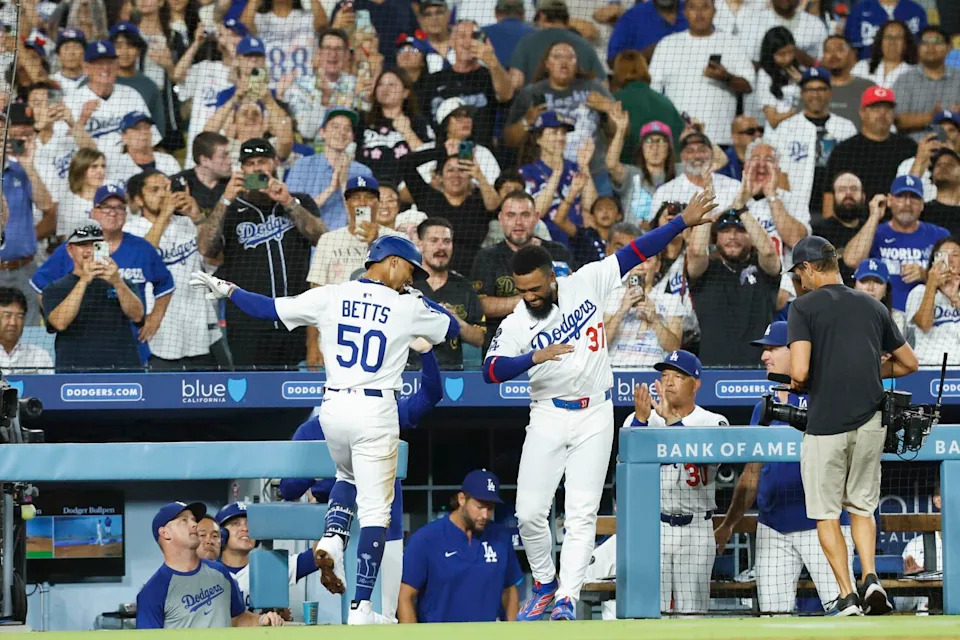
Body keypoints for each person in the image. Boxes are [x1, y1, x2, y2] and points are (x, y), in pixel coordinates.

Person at [189, 235, 459, 624]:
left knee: (346, 474)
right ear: (394, 262)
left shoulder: (332, 295)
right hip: (375, 406)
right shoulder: (404, 304)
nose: (410, 279)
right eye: (410, 271)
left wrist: (228, 290)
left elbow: (267, 309)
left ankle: (333, 536)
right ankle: (362, 607)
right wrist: (422, 300)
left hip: (333, 406)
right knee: (375, 516)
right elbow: (451, 327)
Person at [479, 192, 718, 620]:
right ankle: (546, 584)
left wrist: (682, 221)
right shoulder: (518, 320)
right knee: (529, 512)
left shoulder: (585, 280)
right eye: (522, 291)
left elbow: (636, 251)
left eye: (535, 288)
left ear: (551, 277)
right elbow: (490, 371)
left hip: (594, 413)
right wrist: (533, 356)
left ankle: (568, 596)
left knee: (581, 510)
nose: (530, 296)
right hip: (549, 413)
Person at [786, 234, 920, 616]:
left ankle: (847, 594)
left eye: (799, 273)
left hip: (826, 423)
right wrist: (870, 369)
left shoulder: (803, 307)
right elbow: (910, 364)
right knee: (862, 507)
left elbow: (798, 371)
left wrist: (805, 379)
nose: (799, 281)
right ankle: (872, 577)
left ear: (810, 268)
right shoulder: (872, 304)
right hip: (870, 421)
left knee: (827, 513)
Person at [279, 342, 444, 620]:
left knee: (382, 615)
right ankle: (333, 551)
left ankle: (333, 550)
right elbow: (287, 487)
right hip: (339, 526)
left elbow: (429, 395)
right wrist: (325, 469)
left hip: (383, 530)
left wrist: (427, 353)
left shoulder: (383, 411)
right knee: (341, 617)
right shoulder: (311, 430)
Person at [714, 321, 854, 614]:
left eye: (772, 348)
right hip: (773, 528)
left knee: (844, 612)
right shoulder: (763, 407)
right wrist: (728, 525)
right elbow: (750, 475)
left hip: (821, 524)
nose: (765, 356)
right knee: (774, 618)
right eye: (764, 350)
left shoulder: (827, 397)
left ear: (797, 351)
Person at [195, 138, 324, 368]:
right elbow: (205, 247)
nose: (256, 168)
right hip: (247, 327)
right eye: (250, 163)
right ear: (242, 170)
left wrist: (288, 202)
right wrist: (225, 199)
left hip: (296, 320)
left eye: (262, 161)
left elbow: (322, 239)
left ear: (274, 163)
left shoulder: (299, 201)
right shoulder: (230, 209)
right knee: (253, 399)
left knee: (298, 399)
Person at [622, 350, 729, 613]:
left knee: (692, 615)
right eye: (665, 375)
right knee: (650, 611)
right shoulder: (643, 418)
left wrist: (671, 422)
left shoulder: (713, 421)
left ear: (696, 384)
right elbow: (628, 467)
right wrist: (641, 420)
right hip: (653, 528)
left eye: (678, 376)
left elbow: (703, 457)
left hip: (696, 528)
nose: (668, 382)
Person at [398, 469, 522, 623]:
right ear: (462, 499)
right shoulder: (426, 539)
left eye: (490, 508)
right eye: (479, 506)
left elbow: (509, 591)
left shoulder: (501, 538)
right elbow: (405, 597)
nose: (485, 515)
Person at [124, 169, 218, 369]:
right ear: (139, 199)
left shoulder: (187, 223)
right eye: (155, 190)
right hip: (158, 333)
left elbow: (215, 259)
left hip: (198, 330)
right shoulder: (131, 230)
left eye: (167, 188)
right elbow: (141, 262)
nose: (163, 194)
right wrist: (165, 214)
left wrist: (198, 217)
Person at [137, 501, 284, 628]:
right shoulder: (152, 593)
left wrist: (261, 620)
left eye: (194, 520)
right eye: (184, 520)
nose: (194, 524)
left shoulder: (220, 572)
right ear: (165, 533)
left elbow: (237, 619)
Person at [504, 42, 615, 196]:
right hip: (544, 176)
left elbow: (621, 131)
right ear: (547, 63)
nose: (564, 62)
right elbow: (509, 140)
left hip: (594, 172)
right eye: (557, 57)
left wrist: (608, 108)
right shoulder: (530, 93)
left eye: (570, 57)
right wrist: (527, 121)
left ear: (577, 63)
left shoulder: (594, 88)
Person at [470, 191, 574, 351]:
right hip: (504, 350)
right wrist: (535, 297)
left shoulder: (559, 252)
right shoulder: (487, 257)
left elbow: (573, 297)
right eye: (511, 215)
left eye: (525, 215)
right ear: (501, 219)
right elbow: (481, 306)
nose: (518, 222)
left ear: (536, 217)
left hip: (555, 347)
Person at [648, 0, 754, 147]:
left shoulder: (731, 44)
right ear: (684, 12)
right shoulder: (667, 45)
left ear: (715, 11)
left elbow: (748, 86)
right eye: (692, 7)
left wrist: (726, 78)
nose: (699, 13)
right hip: (679, 140)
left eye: (705, 7)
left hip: (720, 141)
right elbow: (654, 94)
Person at [40, 222, 144, 371]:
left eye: (95, 244)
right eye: (83, 244)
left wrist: (117, 282)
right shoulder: (55, 288)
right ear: (70, 250)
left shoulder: (122, 284)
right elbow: (59, 323)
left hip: (122, 373)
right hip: (75, 376)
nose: (89, 250)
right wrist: (84, 281)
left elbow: (138, 316)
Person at [687, 209, 781, 366]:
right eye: (725, 231)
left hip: (759, 369)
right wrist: (706, 208)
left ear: (751, 235)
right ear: (715, 237)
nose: (732, 237)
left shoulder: (762, 268)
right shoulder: (707, 269)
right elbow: (696, 252)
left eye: (740, 230)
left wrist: (742, 208)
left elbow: (769, 252)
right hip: (713, 369)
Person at [842, 175, 950, 310]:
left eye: (914, 197)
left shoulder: (939, 235)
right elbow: (852, 260)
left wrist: (925, 274)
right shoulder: (874, 233)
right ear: (890, 200)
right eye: (901, 196)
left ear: (922, 204)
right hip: (882, 316)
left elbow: (952, 279)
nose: (907, 203)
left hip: (925, 318)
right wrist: (874, 216)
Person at [767, 68, 858, 217]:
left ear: (830, 92)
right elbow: (779, 172)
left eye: (820, 89)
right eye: (809, 89)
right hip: (797, 205)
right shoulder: (786, 128)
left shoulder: (846, 127)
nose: (815, 95)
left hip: (837, 207)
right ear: (802, 93)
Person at [399, 148, 498, 275]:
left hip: (473, 272)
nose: (456, 174)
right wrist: (442, 151)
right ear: (440, 177)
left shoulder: (479, 202)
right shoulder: (427, 196)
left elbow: (495, 206)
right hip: (430, 272)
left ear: (469, 176)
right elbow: (405, 162)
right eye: (450, 170)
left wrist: (479, 175)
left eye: (462, 170)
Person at [823, 87, 917, 218]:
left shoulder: (908, 147)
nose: (882, 114)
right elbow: (829, 197)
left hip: (898, 225)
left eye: (887, 108)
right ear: (862, 112)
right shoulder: (844, 150)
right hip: (855, 225)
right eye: (875, 108)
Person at [0, 105, 55, 326]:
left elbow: (46, 204)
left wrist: (29, 167)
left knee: (29, 334)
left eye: (3, 133)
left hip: (24, 268)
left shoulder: (20, 170)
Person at [215, 502, 328, 609]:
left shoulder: (272, 565)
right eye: (236, 524)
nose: (245, 528)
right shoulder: (209, 571)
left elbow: (317, 555)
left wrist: (326, 516)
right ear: (221, 534)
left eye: (250, 523)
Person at [422, 21, 512, 150]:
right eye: (462, 36)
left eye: (473, 37)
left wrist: (492, 61)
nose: (468, 42)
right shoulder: (433, 80)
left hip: (481, 155)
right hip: (442, 153)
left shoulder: (490, 76)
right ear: (451, 41)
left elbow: (506, 95)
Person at [413, 218, 485, 369]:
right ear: (420, 244)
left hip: (451, 373)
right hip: (409, 371)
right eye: (434, 241)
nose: (441, 247)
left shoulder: (464, 287)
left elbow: (479, 338)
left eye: (447, 241)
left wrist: (456, 321)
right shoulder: (406, 284)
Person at [517, 111, 597, 247]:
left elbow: (591, 205)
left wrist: (584, 166)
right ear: (538, 139)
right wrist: (557, 173)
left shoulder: (573, 167)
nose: (560, 137)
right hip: (546, 244)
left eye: (563, 133)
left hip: (577, 243)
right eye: (554, 133)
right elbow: (536, 212)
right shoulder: (526, 172)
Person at [285, 108, 372, 232]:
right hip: (310, 245)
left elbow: (363, 221)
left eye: (347, 129)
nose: (341, 132)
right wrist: (331, 188)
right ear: (322, 132)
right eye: (335, 127)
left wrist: (343, 186)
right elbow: (293, 213)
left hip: (349, 245)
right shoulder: (302, 166)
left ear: (352, 136)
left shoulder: (363, 172)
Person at [175, 18, 246, 168]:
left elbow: (241, 75)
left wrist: (230, 46)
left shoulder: (245, 72)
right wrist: (196, 43)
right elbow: (177, 75)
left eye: (234, 35)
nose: (227, 38)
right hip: (198, 150)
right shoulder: (205, 67)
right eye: (225, 33)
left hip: (228, 152)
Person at [65, 40, 153, 161]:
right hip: (89, 168)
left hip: (128, 165)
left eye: (110, 62)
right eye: (98, 63)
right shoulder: (71, 101)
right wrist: (82, 120)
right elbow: (64, 146)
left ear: (117, 65)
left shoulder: (132, 95)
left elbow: (150, 139)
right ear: (86, 67)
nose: (105, 68)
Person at [603, 250, 683, 367]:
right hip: (616, 370)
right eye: (636, 261)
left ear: (657, 266)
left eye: (646, 261)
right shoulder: (612, 296)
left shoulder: (671, 301)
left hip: (653, 371)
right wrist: (621, 310)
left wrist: (655, 320)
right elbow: (602, 343)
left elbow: (675, 349)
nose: (640, 266)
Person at [508, 0, 605, 90]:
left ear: (542, 16)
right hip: (578, 106)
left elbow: (516, 82)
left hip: (538, 105)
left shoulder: (526, 42)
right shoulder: (585, 44)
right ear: (567, 19)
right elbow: (603, 85)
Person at [359, 69, 433, 185]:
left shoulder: (417, 121)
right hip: (369, 187)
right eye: (380, 84)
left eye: (391, 84)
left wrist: (407, 131)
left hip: (406, 188)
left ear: (405, 93)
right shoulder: (363, 120)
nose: (385, 89)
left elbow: (428, 159)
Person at [610, 51, 685, 162]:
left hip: (628, 172)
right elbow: (681, 139)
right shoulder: (666, 101)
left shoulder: (614, 101)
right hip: (668, 172)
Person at [607, 114, 675, 228]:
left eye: (660, 140)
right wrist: (620, 130)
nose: (654, 146)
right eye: (648, 140)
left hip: (668, 242)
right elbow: (611, 164)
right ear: (641, 147)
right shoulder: (632, 174)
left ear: (669, 147)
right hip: (632, 241)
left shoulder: (680, 173)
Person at [651, 131, 742, 216]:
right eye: (690, 151)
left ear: (712, 153)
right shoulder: (665, 193)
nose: (697, 156)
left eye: (702, 150)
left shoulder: (734, 187)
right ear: (682, 156)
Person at [892, 27, 960, 139]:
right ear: (918, 48)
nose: (931, 47)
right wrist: (931, 117)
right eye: (925, 42)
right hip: (913, 150)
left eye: (937, 42)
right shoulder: (905, 80)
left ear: (949, 47)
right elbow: (898, 120)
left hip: (954, 151)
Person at [905, 236, 960, 365]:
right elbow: (924, 324)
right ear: (934, 261)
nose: (950, 260)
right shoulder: (919, 291)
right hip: (929, 366)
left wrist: (955, 299)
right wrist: (931, 284)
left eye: (956, 255)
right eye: (943, 255)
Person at [109, 22, 166, 138]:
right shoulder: (97, 82)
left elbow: (158, 131)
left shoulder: (149, 86)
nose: (124, 52)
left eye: (130, 45)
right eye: (118, 46)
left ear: (139, 50)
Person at [812, 173, 870, 282]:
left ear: (863, 196)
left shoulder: (872, 228)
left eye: (854, 189)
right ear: (833, 197)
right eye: (842, 189)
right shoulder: (818, 231)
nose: (848, 194)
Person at [742, 0, 828, 67]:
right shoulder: (753, 23)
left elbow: (827, 67)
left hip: (806, 86)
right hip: (765, 86)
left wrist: (807, 60)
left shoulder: (816, 24)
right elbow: (746, 65)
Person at [106, 112, 182, 185]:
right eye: (137, 128)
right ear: (124, 137)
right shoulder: (115, 165)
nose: (144, 132)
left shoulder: (168, 160)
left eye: (147, 128)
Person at [606, 0, 687, 65]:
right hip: (647, 83)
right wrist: (642, 56)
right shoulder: (632, 17)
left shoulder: (694, 11)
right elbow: (612, 60)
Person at [821, 35, 877, 130]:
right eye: (828, 51)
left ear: (851, 54)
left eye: (839, 50)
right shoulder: (813, 89)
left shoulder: (867, 87)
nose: (833, 55)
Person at [172, 132, 232, 215]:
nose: (230, 161)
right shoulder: (177, 183)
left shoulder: (236, 181)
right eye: (223, 156)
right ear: (204, 160)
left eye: (229, 155)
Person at [844, 0, 926, 60]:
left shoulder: (916, 10)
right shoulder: (859, 9)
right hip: (868, 68)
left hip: (909, 66)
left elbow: (923, 45)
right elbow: (852, 48)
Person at [56, 148, 106, 241]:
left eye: (103, 166)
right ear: (81, 169)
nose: (100, 171)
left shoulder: (111, 197)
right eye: (94, 167)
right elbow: (64, 237)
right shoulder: (68, 202)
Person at [851, 20, 917, 89]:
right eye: (888, 37)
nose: (892, 42)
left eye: (898, 37)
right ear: (880, 42)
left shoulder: (913, 73)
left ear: (905, 44)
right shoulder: (862, 67)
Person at [0, 287, 53, 372]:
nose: (13, 322)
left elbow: (50, 385)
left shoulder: (39, 356)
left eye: (19, 316)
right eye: (7, 316)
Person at [482, 0, 535, 70]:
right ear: (523, 14)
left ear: (496, 13)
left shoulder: (482, 32)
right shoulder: (536, 34)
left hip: (490, 78)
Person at [921, 146, 960, 237]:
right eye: (938, 165)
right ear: (932, 177)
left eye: (950, 164)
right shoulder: (921, 212)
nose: (943, 167)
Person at [716, 116, 765, 182]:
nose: (758, 134)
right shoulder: (722, 162)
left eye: (760, 130)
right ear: (735, 137)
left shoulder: (767, 159)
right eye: (751, 131)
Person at [50, 28, 88, 97]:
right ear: (59, 54)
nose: (71, 52)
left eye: (76, 47)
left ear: (84, 52)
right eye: (66, 48)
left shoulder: (94, 79)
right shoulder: (51, 82)